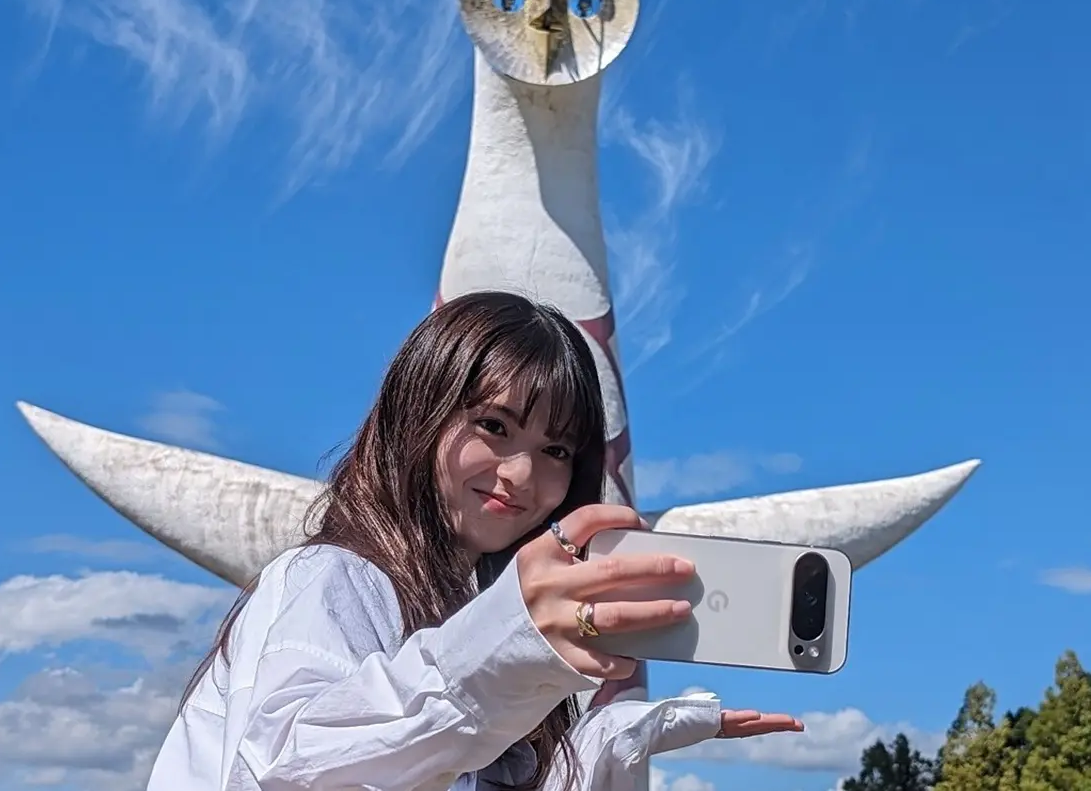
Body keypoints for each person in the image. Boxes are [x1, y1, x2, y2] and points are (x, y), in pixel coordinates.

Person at [148, 290, 802, 791]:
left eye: (555, 449)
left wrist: (635, 728)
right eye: (493, 425)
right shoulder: (330, 577)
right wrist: (503, 648)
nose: (522, 474)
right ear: (419, 412)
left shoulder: (457, 608)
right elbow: (294, 765)